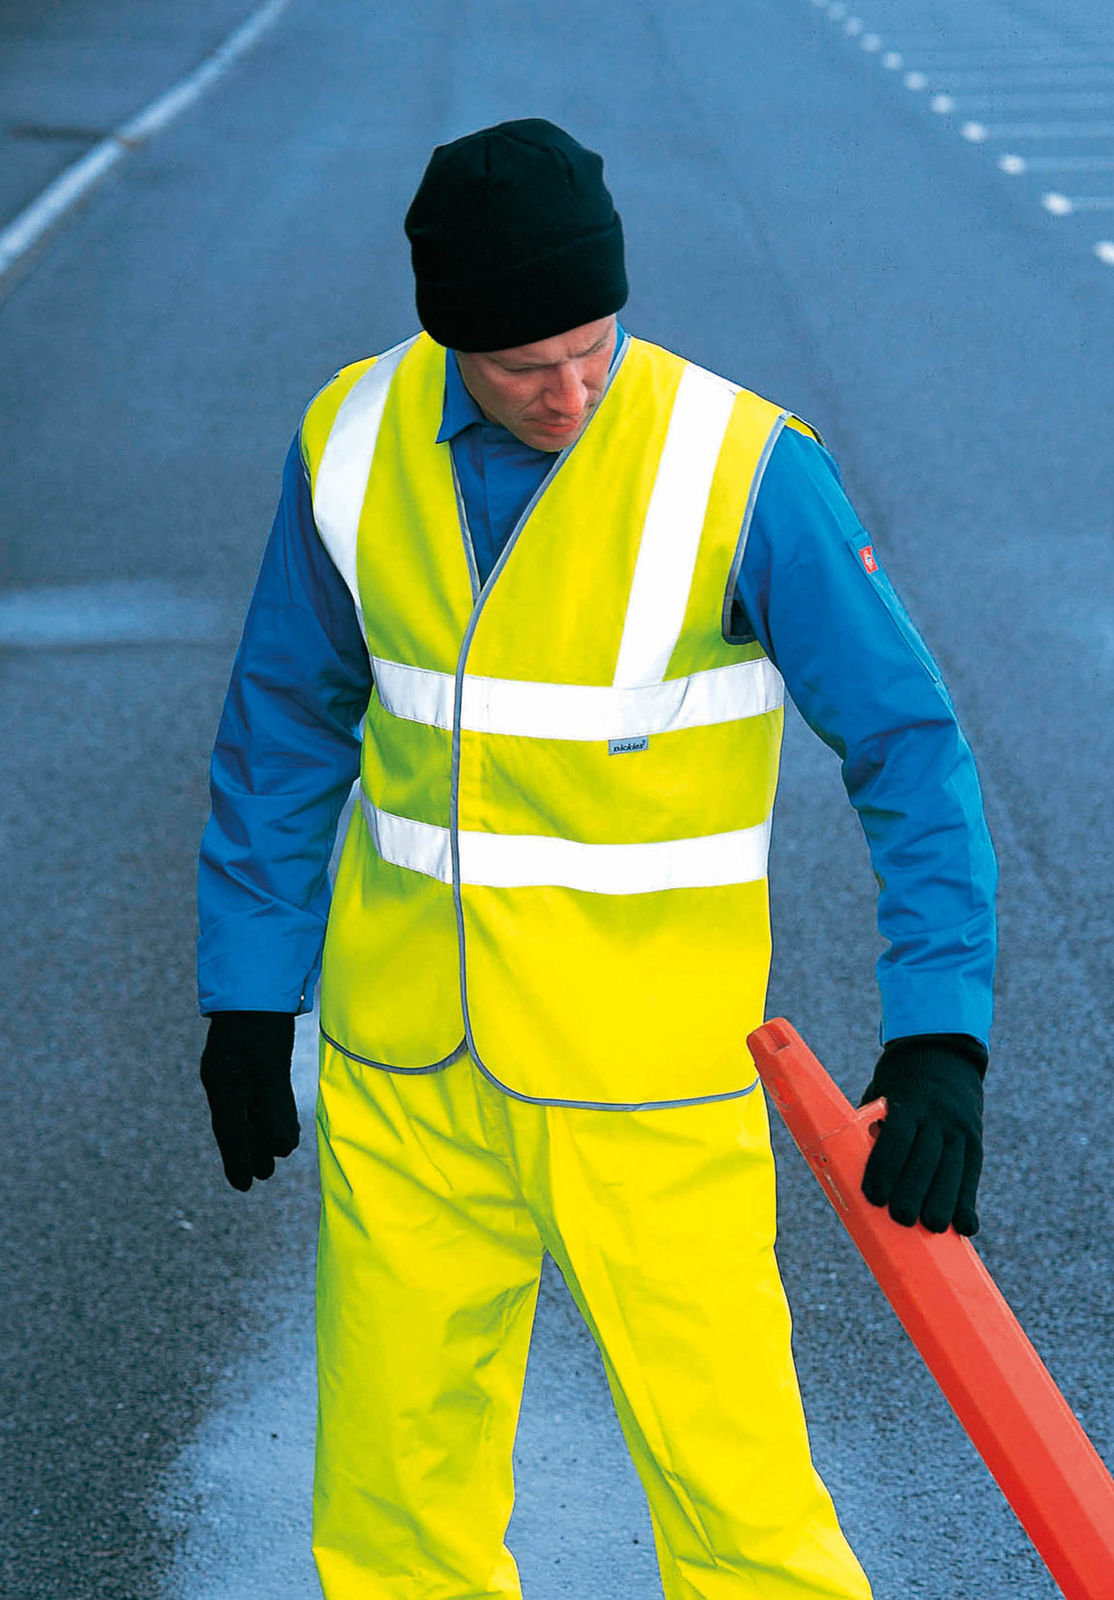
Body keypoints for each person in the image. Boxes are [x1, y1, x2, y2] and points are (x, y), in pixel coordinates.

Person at [197, 119, 996, 1600]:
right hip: (407, 1071)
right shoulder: (350, 439)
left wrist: (938, 1029)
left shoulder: (741, 468)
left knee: (740, 1510)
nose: (570, 393)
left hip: (650, 1087)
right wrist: (249, 993)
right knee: (389, 1515)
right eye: (524, 367)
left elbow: (909, 746)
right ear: (448, 338)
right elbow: (283, 727)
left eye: (593, 345)